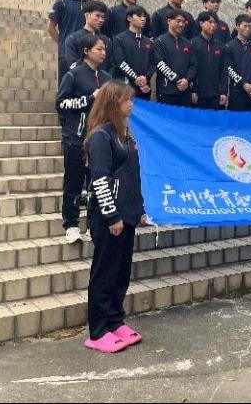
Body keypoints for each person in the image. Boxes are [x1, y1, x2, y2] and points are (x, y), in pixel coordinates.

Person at [84, 80, 147, 353]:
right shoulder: (101, 136)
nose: (131, 104)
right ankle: (98, 331)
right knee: (104, 274)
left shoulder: (126, 135)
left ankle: (115, 321)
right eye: (126, 99)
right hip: (110, 218)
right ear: (113, 103)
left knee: (121, 273)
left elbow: (133, 176)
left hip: (128, 215)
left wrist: (139, 209)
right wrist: (111, 217)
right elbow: (100, 180)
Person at [55, 34, 112, 243]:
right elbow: (61, 103)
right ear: (86, 51)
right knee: (74, 183)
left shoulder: (106, 77)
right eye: (99, 49)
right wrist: (90, 98)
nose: (103, 53)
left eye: (105, 49)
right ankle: (71, 224)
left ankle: (92, 224)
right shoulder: (73, 75)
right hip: (76, 139)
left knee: (97, 182)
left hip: (100, 139)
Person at [47, 0, 92, 84]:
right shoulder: (61, 2)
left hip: (87, 54)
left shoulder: (92, 4)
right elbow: (50, 28)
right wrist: (63, 44)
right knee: (66, 85)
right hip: (66, 54)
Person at [152, 8, 197, 107]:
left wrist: (187, 80)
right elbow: (160, 64)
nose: (181, 24)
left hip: (185, 91)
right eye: (178, 21)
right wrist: (177, 80)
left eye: (183, 22)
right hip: (166, 91)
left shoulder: (188, 43)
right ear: (169, 21)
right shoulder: (159, 42)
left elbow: (193, 66)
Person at [112, 6, 155, 100]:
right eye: (139, 16)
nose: (143, 19)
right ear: (129, 18)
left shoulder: (148, 41)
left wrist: (145, 77)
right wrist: (136, 78)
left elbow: (153, 63)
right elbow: (121, 62)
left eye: (144, 16)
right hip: (125, 88)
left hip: (145, 89)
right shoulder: (119, 39)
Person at [191, 11, 229, 110]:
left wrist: (224, 92)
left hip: (216, 94)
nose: (213, 25)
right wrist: (193, 90)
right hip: (198, 94)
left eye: (215, 23)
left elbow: (223, 71)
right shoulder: (192, 44)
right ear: (201, 23)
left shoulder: (220, 46)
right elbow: (191, 69)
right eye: (210, 22)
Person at [226, 14, 251, 111]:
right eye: (245, 26)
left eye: (250, 26)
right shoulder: (229, 47)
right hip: (236, 92)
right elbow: (229, 69)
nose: (248, 29)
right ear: (237, 27)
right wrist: (243, 83)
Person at [64, 0, 112, 72]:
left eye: (103, 17)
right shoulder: (73, 39)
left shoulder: (106, 40)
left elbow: (111, 64)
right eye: (97, 16)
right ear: (87, 15)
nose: (101, 20)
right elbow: (72, 65)